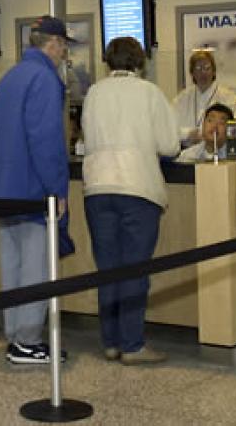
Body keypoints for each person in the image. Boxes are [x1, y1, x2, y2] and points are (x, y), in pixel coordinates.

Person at [81, 36, 179, 365]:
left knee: (107, 269)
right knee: (135, 270)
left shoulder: (94, 92)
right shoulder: (149, 93)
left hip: (97, 187)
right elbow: (168, 145)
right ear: (141, 62)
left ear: (108, 61)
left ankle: (110, 342)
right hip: (137, 188)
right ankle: (133, 345)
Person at [0, 15, 72, 365]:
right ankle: (27, 340)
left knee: (13, 265)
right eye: (64, 48)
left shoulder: (10, 77)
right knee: (36, 268)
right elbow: (46, 141)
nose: (64, 56)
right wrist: (57, 190)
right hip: (35, 190)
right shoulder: (45, 79)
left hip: (6, 190)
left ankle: (15, 335)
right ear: (53, 44)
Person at [172, 50, 236, 147]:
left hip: (219, 152)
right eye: (198, 68)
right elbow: (169, 129)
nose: (203, 72)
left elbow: (234, 128)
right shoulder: (181, 99)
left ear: (214, 71)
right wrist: (188, 134)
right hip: (187, 154)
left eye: (207, 68)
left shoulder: (229, 98)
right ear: (192, 73)